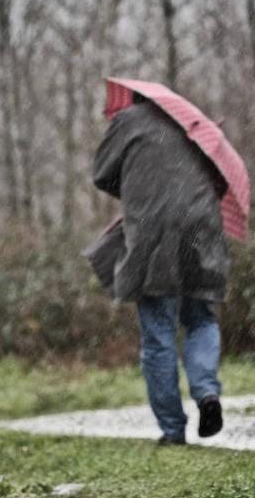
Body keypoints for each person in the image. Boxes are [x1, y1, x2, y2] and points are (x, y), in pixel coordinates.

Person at [90, 97, 231, 445]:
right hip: (202, 223)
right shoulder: (196, 125)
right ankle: (207, 393)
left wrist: (139, 188)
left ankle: (172, 429)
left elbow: (102, 174)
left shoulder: (128, 120)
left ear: (134, 97)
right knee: (200, 316)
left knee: (158, 334)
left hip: (151, 232)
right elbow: (221, 182)